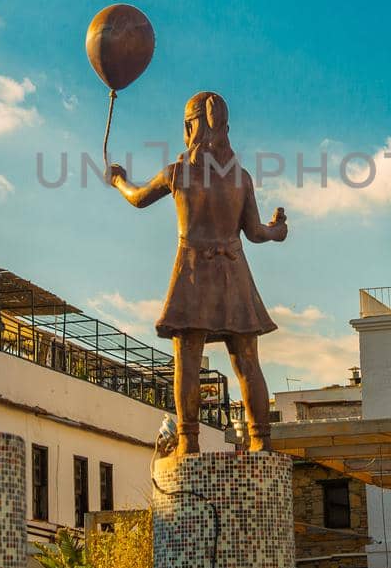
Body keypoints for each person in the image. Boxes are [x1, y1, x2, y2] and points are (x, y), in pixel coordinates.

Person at [108, 91, 287, 456]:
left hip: (192, 272)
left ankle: (188, 440)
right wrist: (277, 229)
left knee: (187, 359)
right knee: (247, 361)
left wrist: (117, 181)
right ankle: (261, 440)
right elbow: (255, 233)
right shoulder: (241, 178)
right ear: (224, 127)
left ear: (191, 126)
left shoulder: (177, 173)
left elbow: (138, 197)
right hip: (233, 273)